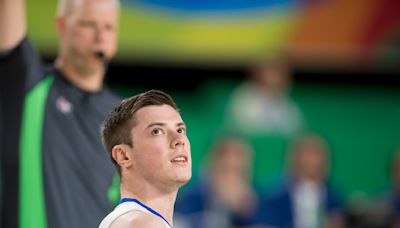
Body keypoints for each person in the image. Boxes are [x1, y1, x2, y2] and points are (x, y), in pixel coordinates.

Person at [0, 0, 120, 227]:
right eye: (88, 24)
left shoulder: (125, 116)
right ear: (62, 26)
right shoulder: (28, 84)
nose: (100, 36)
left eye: (108, 27)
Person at [98, 89, 192, 228]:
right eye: (157, 131)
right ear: (123, 156)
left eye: (180, 130)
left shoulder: (130, 220)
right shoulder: (142, 223)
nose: (179, 140)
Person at [258, 133, 344, 228]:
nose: (311, 161)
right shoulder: (274, 194)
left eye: (316, 154)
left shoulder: (334, 195)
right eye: (306, 154)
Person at [174, 134, 259, 228]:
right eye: (225, 170)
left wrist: (243, 212)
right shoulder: (191, 199)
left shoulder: (261, 202)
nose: (230, 181)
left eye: (236, 171)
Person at [225, 53, 304, 137]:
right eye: (273, 70)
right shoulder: (243, 98)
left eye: (282, 72)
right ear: (258, 72)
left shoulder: (290, 107)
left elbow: (295, 134)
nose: (277, 77)